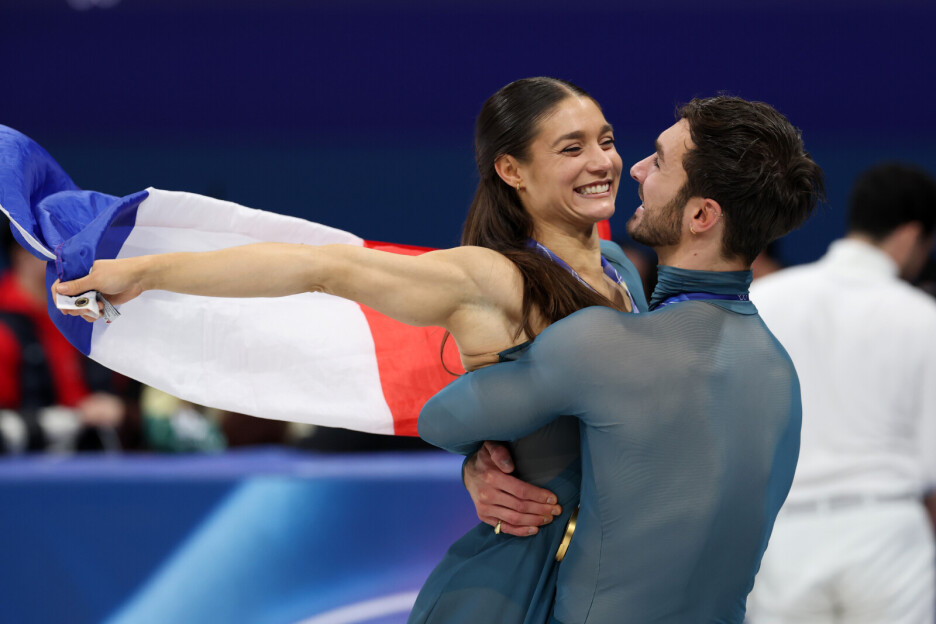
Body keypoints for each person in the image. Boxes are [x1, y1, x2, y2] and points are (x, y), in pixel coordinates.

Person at [49, 77, 647, 622]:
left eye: (606, 140)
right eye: (572, 148)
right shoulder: (489, 278)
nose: (602, 162)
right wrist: (147, 272)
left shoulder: (620, 270)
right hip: (527, 591)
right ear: (512, 171)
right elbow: (322, 268)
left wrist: (477, 459)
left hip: (625, 579)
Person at [419, 96, 825, 623]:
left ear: (701, 215)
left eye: (658, 161)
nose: (631, 168)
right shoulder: (780, 372)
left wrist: (489, 461)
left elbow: (439, 420)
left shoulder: (603, 345)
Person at [745, 163, 936, 624]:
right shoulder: (923, 317)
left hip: (782, 542)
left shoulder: (766, 301)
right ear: (912, 235)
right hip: (886, 539)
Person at [0, 217, 135, 452]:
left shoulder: (90, 304)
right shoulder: (5, 326)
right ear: (22, 255)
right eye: (55, 251)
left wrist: (119, 407)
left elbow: (129, 386)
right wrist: (73, 417)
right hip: (30, 464)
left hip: (98, 450)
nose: (67, 259)